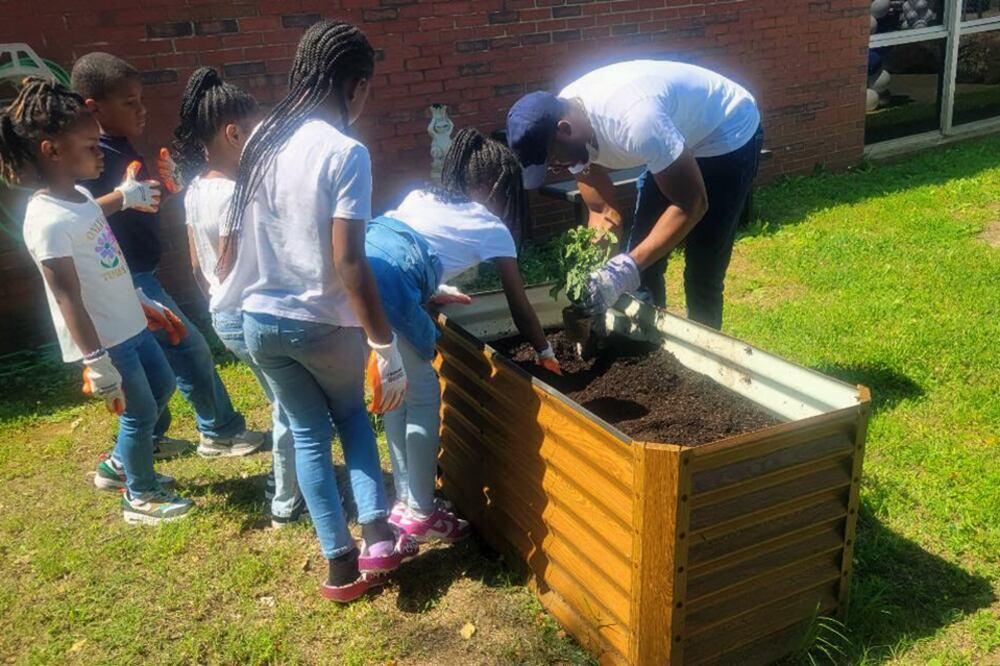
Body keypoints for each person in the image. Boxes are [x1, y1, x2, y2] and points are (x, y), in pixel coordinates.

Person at [218, 20, 417, 603]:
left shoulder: (260, 141)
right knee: (353, 420)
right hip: (324, 322)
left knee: (307, 434)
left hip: (260, 323)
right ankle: (378, 535)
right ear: (356, 85)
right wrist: (386, 348)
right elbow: (349, 261)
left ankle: (338, 567)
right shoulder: (345, 151)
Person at [1, 77, 193, 524]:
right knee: (140, 409)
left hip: (130, 319)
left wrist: (123, 199)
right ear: (52, 151)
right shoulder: (45, 220)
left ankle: (120, 464)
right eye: (89, 146)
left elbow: (90, 215)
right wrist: (95, 360)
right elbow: (65, 294)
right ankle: (140, 496)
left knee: (162, 388)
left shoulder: (80, 196)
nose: (99, 152)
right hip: (107, 338)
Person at [367, 128, 561, 542]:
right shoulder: (492, 227)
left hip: (359, 280)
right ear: (494, 185)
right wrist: (544, 349)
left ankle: (406, 496)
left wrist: (432, 289)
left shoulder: (420, 196)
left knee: (398, 396)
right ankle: (420, 511)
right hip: (394, 290)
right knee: (423, 395)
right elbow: (519, 304)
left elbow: (399, 247)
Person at [70, 52, 265, 458]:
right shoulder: (94, 155)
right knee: (187, 346)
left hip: (139, 271)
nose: (141, 110)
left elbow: (137, 202)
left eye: (141, 100)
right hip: (125, 276)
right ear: (94, 107)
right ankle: (218, 431)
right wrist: (123, 197)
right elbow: (80, 214)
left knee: (155, 364)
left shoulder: (118, 146)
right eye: (130, 103)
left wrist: (161, 184)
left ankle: (152, 438)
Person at [506, 60, 763, 330]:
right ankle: (651, 346)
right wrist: (597, 272)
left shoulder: (637, 121)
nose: (557, 168)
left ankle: (707, 361)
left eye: (553, 159)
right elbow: (602, 212)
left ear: (565, 129)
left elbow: (692, 204)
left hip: (726, 131)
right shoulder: (565, 126)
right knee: (644, 265)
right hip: (671, 138)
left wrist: (625, 268)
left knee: (703, 270)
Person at [170, 67, 305, 527]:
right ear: (233, 133)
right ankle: (285, 496)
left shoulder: (195, 189)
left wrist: (217, 292)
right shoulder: (234, 192)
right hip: (247, 313)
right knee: (288, 406)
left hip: (221, 314)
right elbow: (228, 260)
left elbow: (197, 262)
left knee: (285, 400)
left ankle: (290, 482)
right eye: (256, 134)